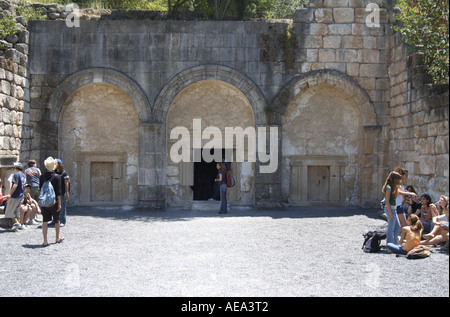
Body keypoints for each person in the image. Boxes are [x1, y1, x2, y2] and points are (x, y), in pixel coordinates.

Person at [40, 157, 64, 247]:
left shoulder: (42, 176)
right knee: (57, 220)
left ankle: (45, 240)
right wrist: (59, 204)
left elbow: (40, 189)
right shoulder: (57, 177)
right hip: (54, 202)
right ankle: (57, 238)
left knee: (45, 221)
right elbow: (58, 192)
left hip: (44, 201)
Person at [382, 171, 403, 245]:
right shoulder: (389, 188)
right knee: (391, 228)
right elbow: (387, 201)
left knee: (397, 226)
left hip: (393, 208)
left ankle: (394, 243)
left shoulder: (392, 187)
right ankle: (389, 244)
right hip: (390, 208)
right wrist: (390, 213)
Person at [4, 163, 27, 231]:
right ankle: (20, 224)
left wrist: (10, 194)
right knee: (17, 211)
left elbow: (15, 185)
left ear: (16, 168)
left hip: (15, 195)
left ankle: (17, 223)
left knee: (9, 211)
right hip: (20, 195)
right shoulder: (23, 175)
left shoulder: (16, 175)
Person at [56, 159, 70, 227]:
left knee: (62, 207)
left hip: (62, 192)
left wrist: (67, 193)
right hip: (55, 193)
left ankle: (62, 221)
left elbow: (66, 183)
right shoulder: (54, 173)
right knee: (55, 207)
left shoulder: (64, 173)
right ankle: (55, 220)